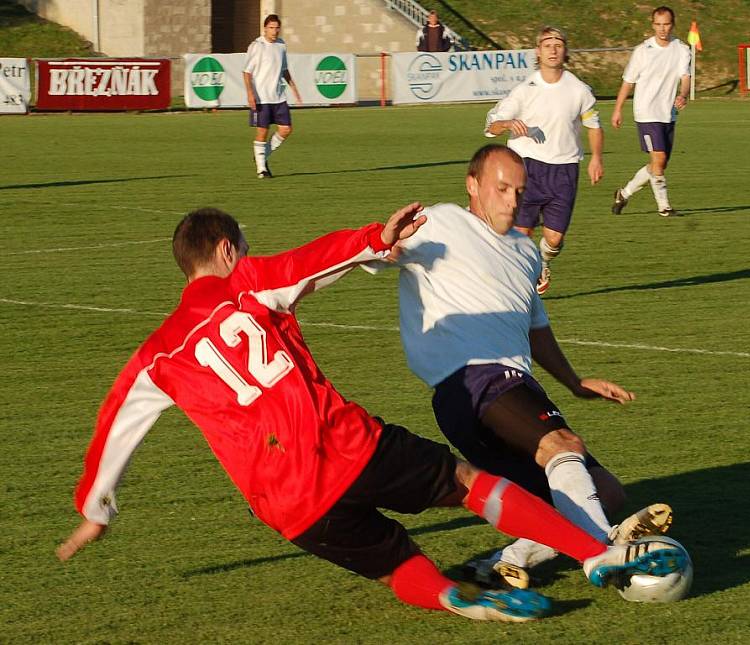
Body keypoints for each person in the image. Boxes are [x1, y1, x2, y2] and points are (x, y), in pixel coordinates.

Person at [56, 205, 685, 623]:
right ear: (226, 249)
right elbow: (309, 262)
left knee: (395, 564)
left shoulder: (152, 359)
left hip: (287, 507)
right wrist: (372, 241)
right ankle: (596, 554)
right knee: (464, 483)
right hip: (342, 445)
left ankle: (456, 600)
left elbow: (116, 427)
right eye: (243, 246)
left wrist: (95, 512)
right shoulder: (245, 281)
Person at [372, 144, 673, 590]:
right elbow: (386, 253)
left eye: (519, 190)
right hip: (473, 380)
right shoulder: (442, 222)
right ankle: (604, 553)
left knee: (605, 492)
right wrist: (385, 245)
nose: (513, 200)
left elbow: (536, 326)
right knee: (561, 443)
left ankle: (502, 562)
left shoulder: (525, 251)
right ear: (473, 185)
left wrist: (573, 382)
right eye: (502, 188)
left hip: (512, 389)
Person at [484, 26, 603, 295]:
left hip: (565, 170)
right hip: (528, 169)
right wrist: (506, 123)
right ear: (538, 52)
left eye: (558, 44)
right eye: (546, 44)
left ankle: (543, 262)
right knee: (521, 235)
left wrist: (596, 158)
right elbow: (492, 125)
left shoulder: (580, 90)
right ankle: (517, 289)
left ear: (565, 51)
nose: (552, 49)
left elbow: (594, 126)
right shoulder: (525, 90)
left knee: (554, 239)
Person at [610, 6, 691, 217]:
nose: (662, 29)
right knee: (659, 159)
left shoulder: (682, 49)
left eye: (666, 24)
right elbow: (628, 83)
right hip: (646, 112)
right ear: (652, 24)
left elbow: (685, 77)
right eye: (658, 24)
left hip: (668, 114)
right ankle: (664, 207)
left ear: (672, 25)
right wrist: (618, 110)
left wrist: (683, 95)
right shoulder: (643, 51)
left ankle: (624, 193)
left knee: (658, 163)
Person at [243, 14, 302, 179]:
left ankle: (261, 156)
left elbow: (284, 69)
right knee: (262, 132)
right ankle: (262, 169)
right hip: (261, 97)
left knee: (286, 129)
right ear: (265, 28)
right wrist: (250, 94)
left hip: (278, 96)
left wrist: (294, 88)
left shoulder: (281, 45)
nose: (274, 31)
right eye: (271, 28)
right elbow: (246, 72)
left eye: (277, 28)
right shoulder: (256, 46)